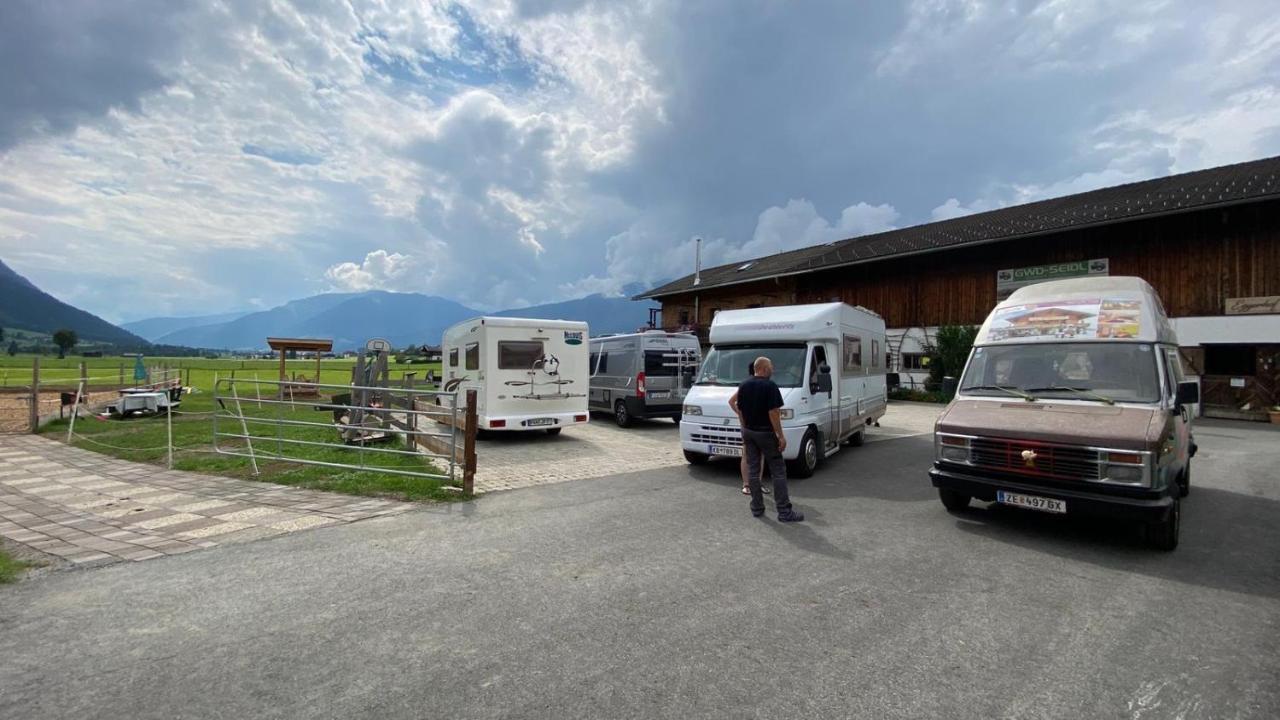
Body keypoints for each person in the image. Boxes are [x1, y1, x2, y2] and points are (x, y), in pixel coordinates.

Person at [728, 356, 804, 522]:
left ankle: (757, 507)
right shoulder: (770, 386)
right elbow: (774, 412)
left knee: (753, 470)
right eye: (770, 367)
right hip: (766, 433)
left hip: (749, 432)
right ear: (762, 368)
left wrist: (744, 425)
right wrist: (780, 436)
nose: (773, 370)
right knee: (778, 470)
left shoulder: (744, 385)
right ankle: (784, 511)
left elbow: (738, 407)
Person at [738, 361, 768, 496]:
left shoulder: (761, 384)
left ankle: (757, 483)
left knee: (759, 455)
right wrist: (743, 420)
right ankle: (746, 484)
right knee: (747, 455)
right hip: (749, 426)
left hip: (757, 426)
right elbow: (734, 403)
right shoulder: (746, 385)